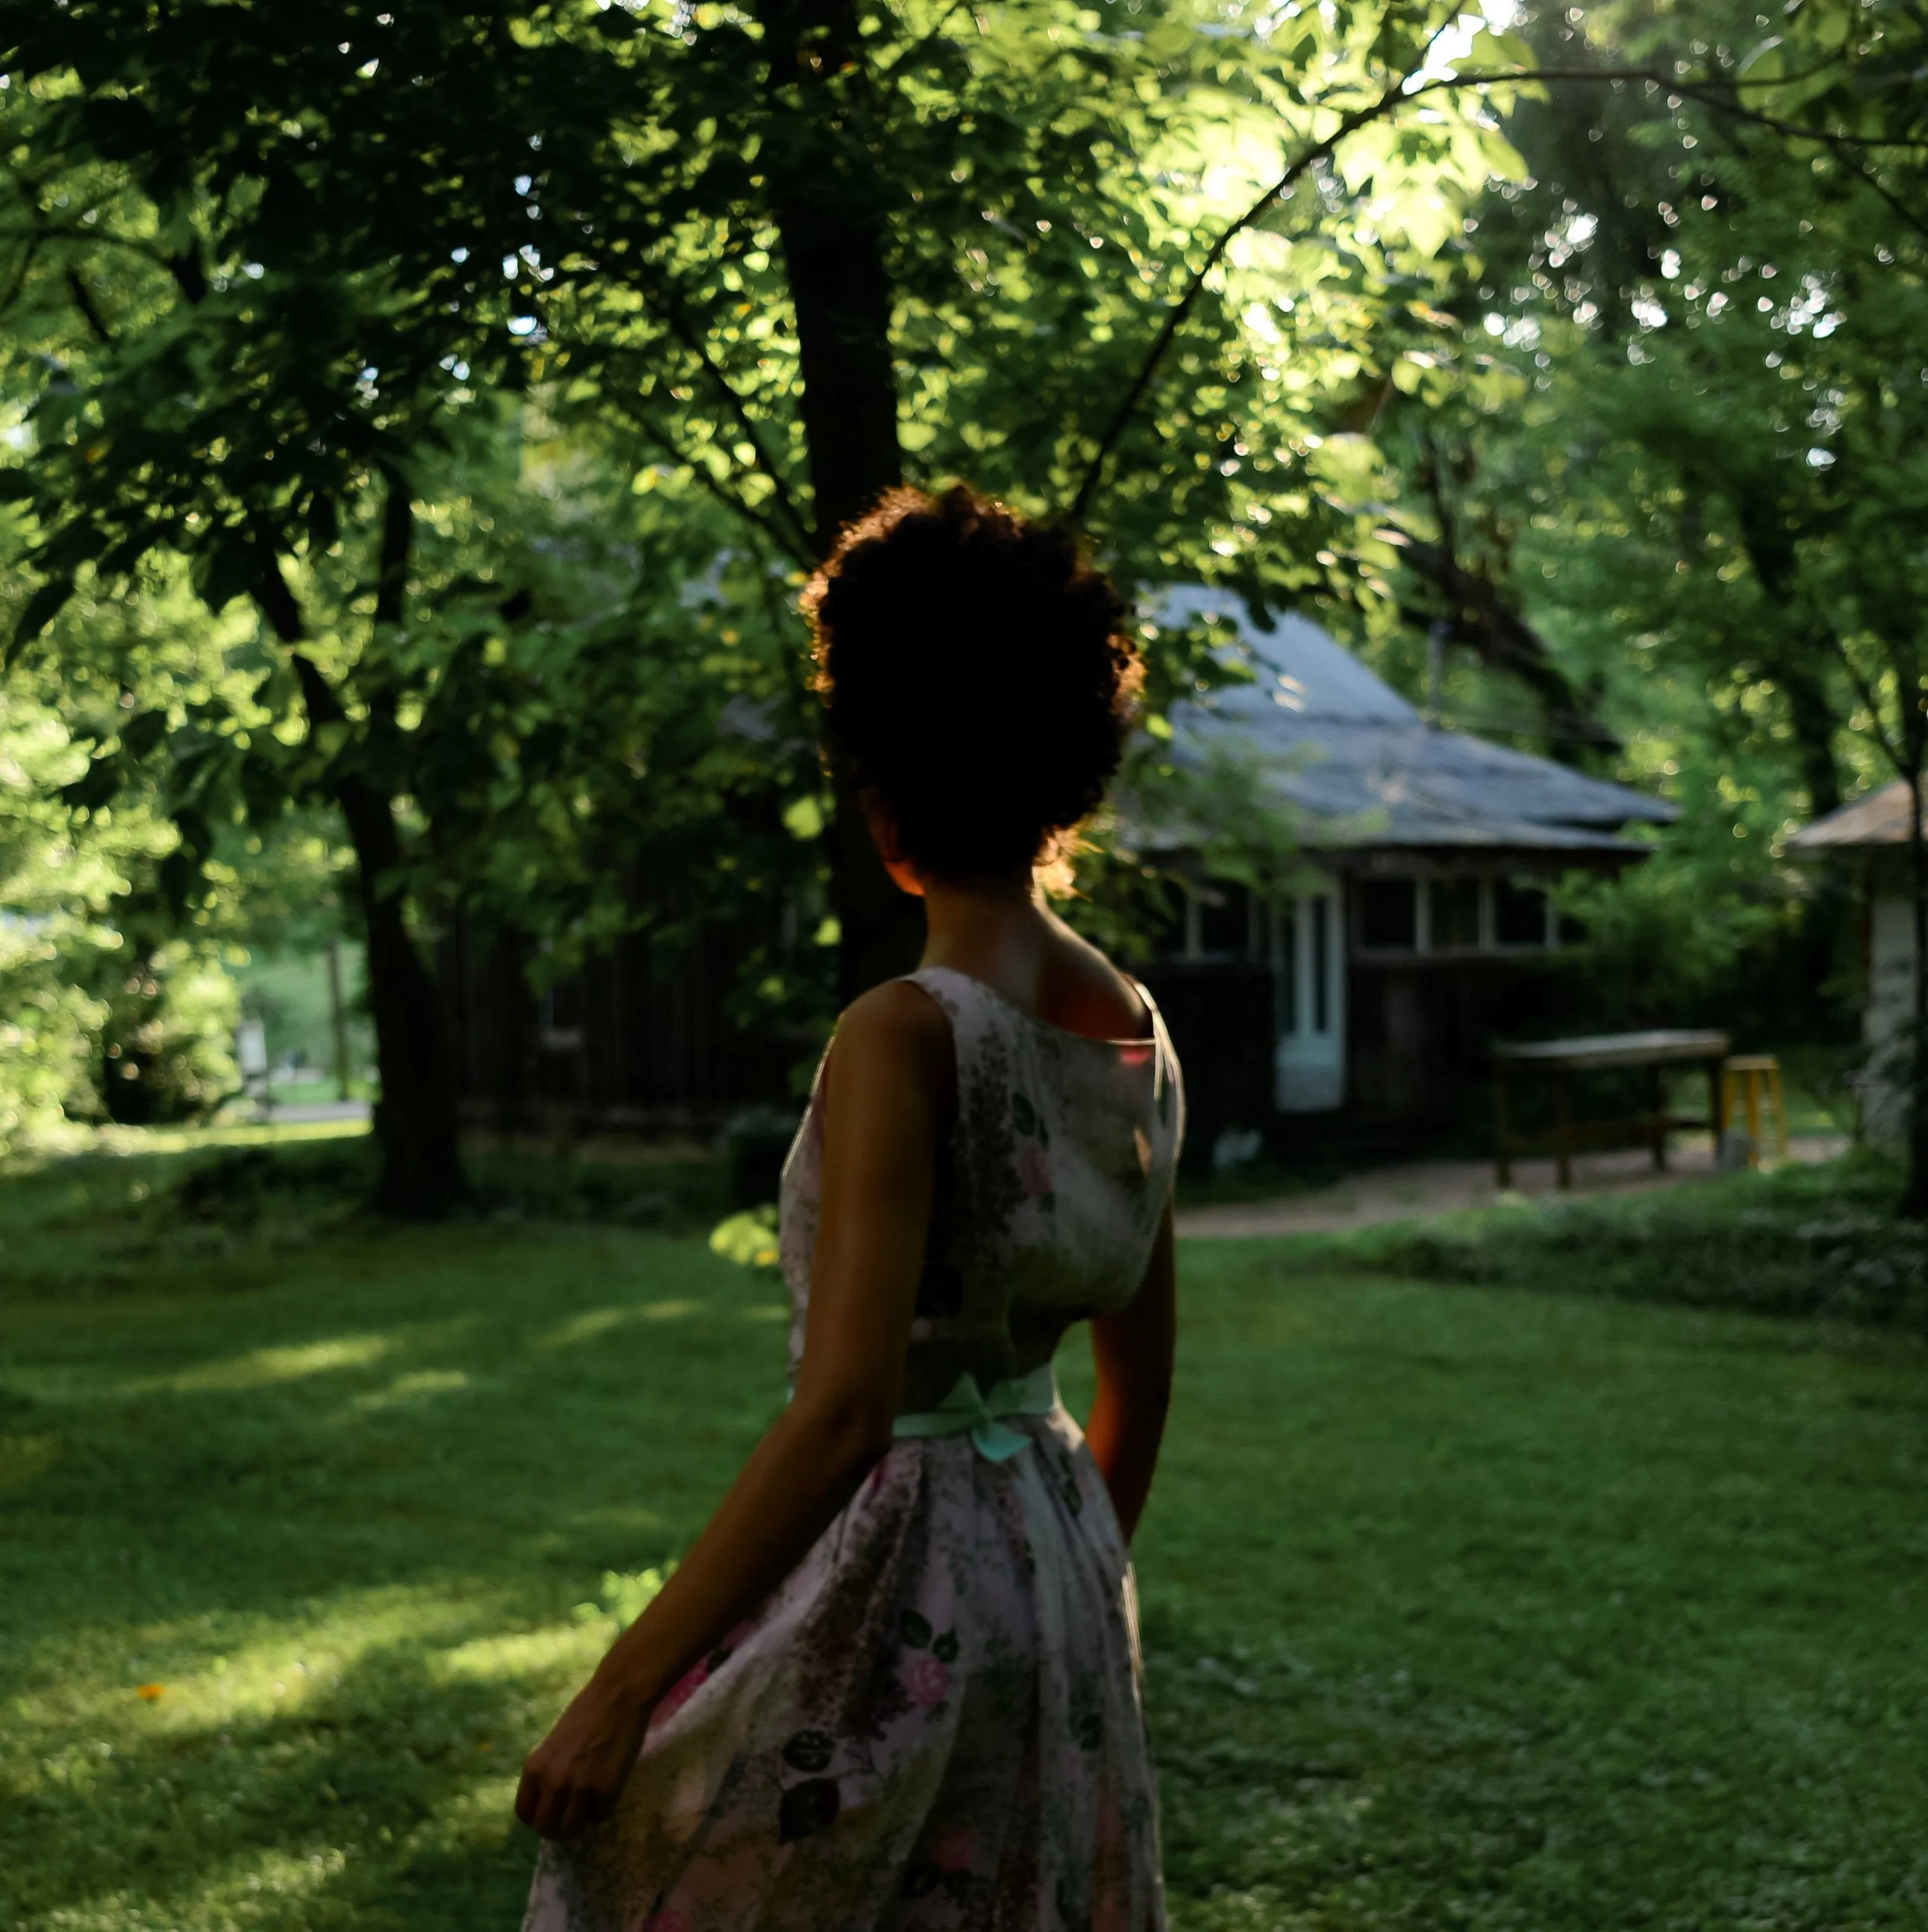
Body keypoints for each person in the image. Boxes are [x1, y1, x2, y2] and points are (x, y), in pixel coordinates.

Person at [517, 484, 1185, 1931]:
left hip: (900, 1583)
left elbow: (842, 1413)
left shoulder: (906, 1035)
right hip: (1068, 1568)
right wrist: (1060, 1576)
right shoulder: (1135, 1032)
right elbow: (1140, 1379)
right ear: (1067, 770)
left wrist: (619, 1687)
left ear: (878, 790)